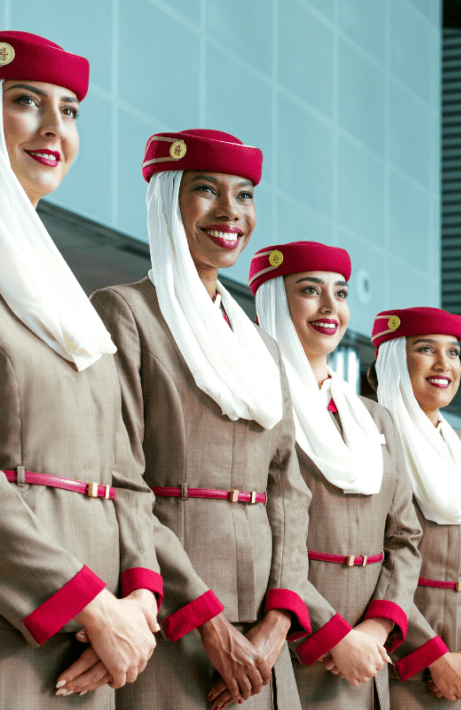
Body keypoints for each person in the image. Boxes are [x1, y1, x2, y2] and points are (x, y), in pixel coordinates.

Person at [90, 130, 312, 710]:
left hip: (264, 635)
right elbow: (122, 483)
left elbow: (288, 491)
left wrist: (280, 619)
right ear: (167, 201)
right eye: (207, 191)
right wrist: (206, 620)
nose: (229, 212)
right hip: (173, 617)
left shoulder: (263, 348)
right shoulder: (126, 313)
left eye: (244, 196)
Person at [0, 30, 162, 707]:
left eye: (69, 110)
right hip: (23, 616)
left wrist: (142, 603)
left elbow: (127, 476)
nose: (53, 127)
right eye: (25, 101)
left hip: (103, 635)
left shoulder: (66, 293)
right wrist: (89, 606)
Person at [244, 241, 422, 710]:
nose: (330, 308)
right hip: (294, 640)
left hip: (367, 650)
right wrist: (333, 634)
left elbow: (404, 538)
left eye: (341, 294)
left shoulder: (375, 419)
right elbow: (260, 536)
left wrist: (376, 627)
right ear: (274, 303)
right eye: (310, 290)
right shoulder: (252, 404)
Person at [370, 307, 461, 709]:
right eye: (426, 349)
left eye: (453, 352)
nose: (443, 364)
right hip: (400, 652)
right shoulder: (371, 443)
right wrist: (434, 657)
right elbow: (375, 566)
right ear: (394, 361)